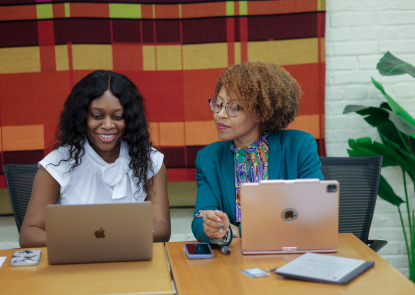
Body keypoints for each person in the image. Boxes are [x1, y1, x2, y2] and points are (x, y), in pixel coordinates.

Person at [19, 70, 170, 247]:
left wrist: (109, 240)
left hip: (130, 261)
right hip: (75, 261)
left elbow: (162, 228)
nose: (107, 125)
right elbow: (29, 233)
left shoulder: (150, 161)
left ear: (129, 119)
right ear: (82, 117)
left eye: (117, 117)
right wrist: (84, 243)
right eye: (97, 116)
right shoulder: (57, 164)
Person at [191, 62, 323, 246]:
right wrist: (214, 229)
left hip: (291, 253)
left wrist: (240, 231)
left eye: (233, 107)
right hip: (234, 263)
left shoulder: (299, 146)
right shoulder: (208, 158)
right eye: (219, 104)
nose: (220, 114)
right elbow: (200, 220)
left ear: (260, 112)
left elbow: (316, 213)